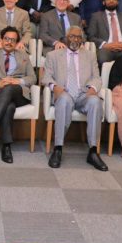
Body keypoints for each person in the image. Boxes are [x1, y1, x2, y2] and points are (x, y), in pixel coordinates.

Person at [42, 26, 108, 171]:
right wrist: (55, 86)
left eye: (78, 37)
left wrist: (93, 88)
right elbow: (46, 77)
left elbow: (96, 77)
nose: (75, 40)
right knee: (64, 100)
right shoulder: (53, 55)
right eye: (72, 36)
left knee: (96, 102)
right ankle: (58, 148)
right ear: (66, 37)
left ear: (82, 39)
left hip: (83, 94)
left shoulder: (90, 55)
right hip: (64, 93)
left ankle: (93, 151)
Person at [0, 27, 36, 163]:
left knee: (10, 87)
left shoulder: (23, 55)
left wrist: (17, 81)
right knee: (9, 107)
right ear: (1, 40)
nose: (9, 42)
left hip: (19, 94)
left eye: (13, 40)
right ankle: (6, 146)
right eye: (7, 39)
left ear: (16, 42)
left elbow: (33, 78)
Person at [87, 0, 122, 65]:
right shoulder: (96, 17)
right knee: (102, 58)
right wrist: (105, 44)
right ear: (104, 2)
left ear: (117, 2)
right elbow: (91, 36)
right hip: (105, 49)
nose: (111, 1)